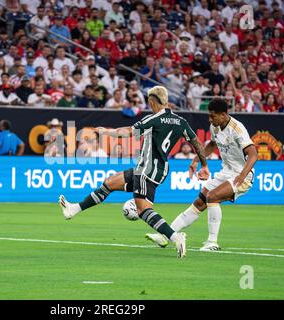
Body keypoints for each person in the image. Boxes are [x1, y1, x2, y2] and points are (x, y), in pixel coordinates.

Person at [58, 86, 210, 258]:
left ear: (152, 102)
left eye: (149, 101)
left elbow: (129, 132)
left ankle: (175, 237)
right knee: (110, 183)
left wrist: (105, 131)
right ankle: (74, 209)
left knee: (143, 210)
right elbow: (197, 142)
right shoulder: (180, 121)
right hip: (154, 168)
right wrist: (203, 165)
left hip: (147, 169)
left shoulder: (153, 119)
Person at [146, 99, 258, 252]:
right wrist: (195, 160)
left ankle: (212, 242)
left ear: (224, 115)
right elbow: (212, 144)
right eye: (209, 116)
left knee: (212, 197)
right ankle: (167, 235)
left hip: (242, 176)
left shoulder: (237, 129)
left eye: (213, 116)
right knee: (200, 202)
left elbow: (253, 155)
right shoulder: (215, 127)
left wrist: (242, 176)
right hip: (226, 173)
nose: (210, 120)